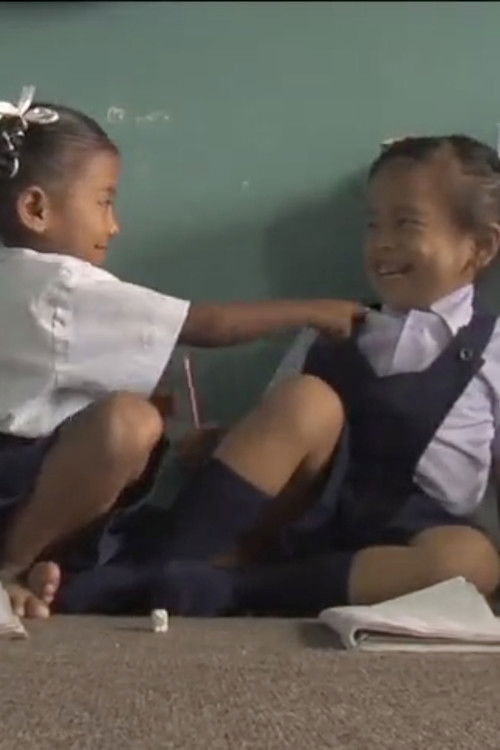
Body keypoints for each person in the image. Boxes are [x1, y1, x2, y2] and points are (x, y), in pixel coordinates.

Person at [90, 133, 500, 618]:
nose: (383, 242)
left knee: (469, 564)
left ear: (479, 247)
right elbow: (276, 427)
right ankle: (153, 572)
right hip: (305, 515)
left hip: (412, 531)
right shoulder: (332, 327)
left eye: (406, 223)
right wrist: (225, 442)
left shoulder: (493, 346)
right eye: (373, 224)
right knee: (304, 399)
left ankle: (237, 592)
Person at [0, 85, 365, 619]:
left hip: (21, 485)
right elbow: (207, 324)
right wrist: (314, 310)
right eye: (104, 201)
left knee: (135, 418)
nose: (114, 225)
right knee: (130, 423)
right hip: (19, 481)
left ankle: (42, 567)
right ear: (35, 208)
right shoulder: (61, 285)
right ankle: (12, 567)